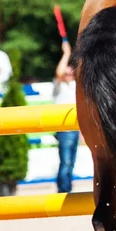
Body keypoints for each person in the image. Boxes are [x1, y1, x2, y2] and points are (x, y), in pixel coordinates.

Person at [52, 40, 79, 193]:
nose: (68, 74)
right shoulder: (59, 85)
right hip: (63, 127)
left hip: (74, 127)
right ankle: (64, 190)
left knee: (70, 162)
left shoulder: (76, 86)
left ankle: (66, 188)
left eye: (71, 72)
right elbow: (59, 72)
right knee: (66, 161)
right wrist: (67, 53)